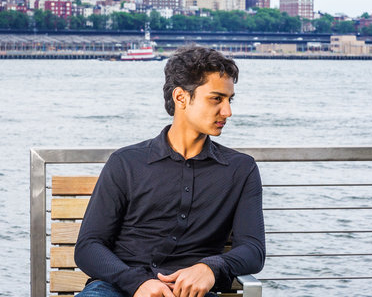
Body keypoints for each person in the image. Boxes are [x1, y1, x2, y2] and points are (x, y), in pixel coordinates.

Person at [74, 46, 266, 297]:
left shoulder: (241, 169)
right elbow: (88, 246)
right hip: (118, 289)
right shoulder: (126, 162)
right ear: (181, 98)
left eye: (229, 100)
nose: (227, 111)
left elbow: (253, 249)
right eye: (216, 99)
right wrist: (138, 283)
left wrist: (210, 268)